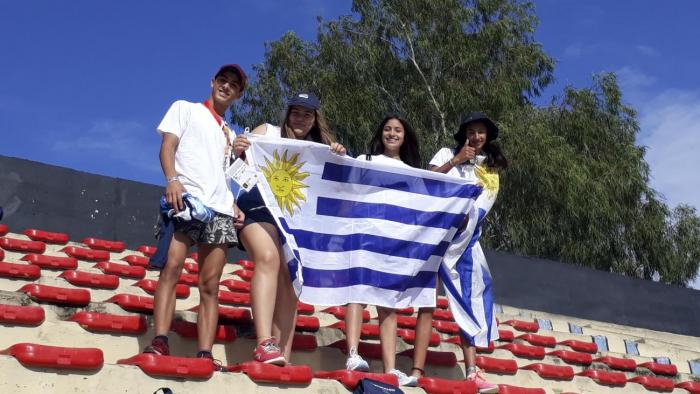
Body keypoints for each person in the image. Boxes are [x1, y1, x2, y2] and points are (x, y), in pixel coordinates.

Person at [143, 65, 247, 371]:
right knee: (171, 268)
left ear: (239, 94)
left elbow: (226, 175)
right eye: (223, 81)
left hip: (221, 210)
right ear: (212, 82)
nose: (226, 87)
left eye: (233, 85)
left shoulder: (230, 132)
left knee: (211, 285)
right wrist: (172, 179)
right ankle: (160, 339)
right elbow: (168, 146)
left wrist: (235, 203)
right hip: (186, 201)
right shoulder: (184, 108)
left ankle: (205, 353)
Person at [232, 92, 346, 365]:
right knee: (268, 259)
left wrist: (340, 155)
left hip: (295, 223)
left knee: (292, 280)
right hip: (256, 211)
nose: (300, 118)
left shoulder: (319, 148)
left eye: (307, 114)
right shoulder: (265, 131)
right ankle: (263, 343)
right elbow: (233, 168)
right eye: (296, 112)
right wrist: (236, 154)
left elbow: (341, 185)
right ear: (288, 113)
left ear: (315, 119)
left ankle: (282, 354)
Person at [428, 112, 507, 393]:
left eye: (481, 132)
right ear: (464, 133)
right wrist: (456, 161)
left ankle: (472, 370)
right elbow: (427, 181)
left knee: (470, 298)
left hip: (465, 243)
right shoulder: (447, 153)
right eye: (471, 131)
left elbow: (481, 209)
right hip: (434, 236)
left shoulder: (490, 168)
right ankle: (413, 366)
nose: (476, 136)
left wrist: (466, 223)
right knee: (425, 300)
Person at [346, 114, 420, 386]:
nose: (392, 134)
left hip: (395, 242)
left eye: (397, 130)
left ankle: (390, 368)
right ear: (380, 134)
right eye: (387, 129)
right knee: (357, 293)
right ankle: (353, 353)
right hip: (365, 234)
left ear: (404, 136)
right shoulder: (366, 161)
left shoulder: (413, 171)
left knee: (388, 303)